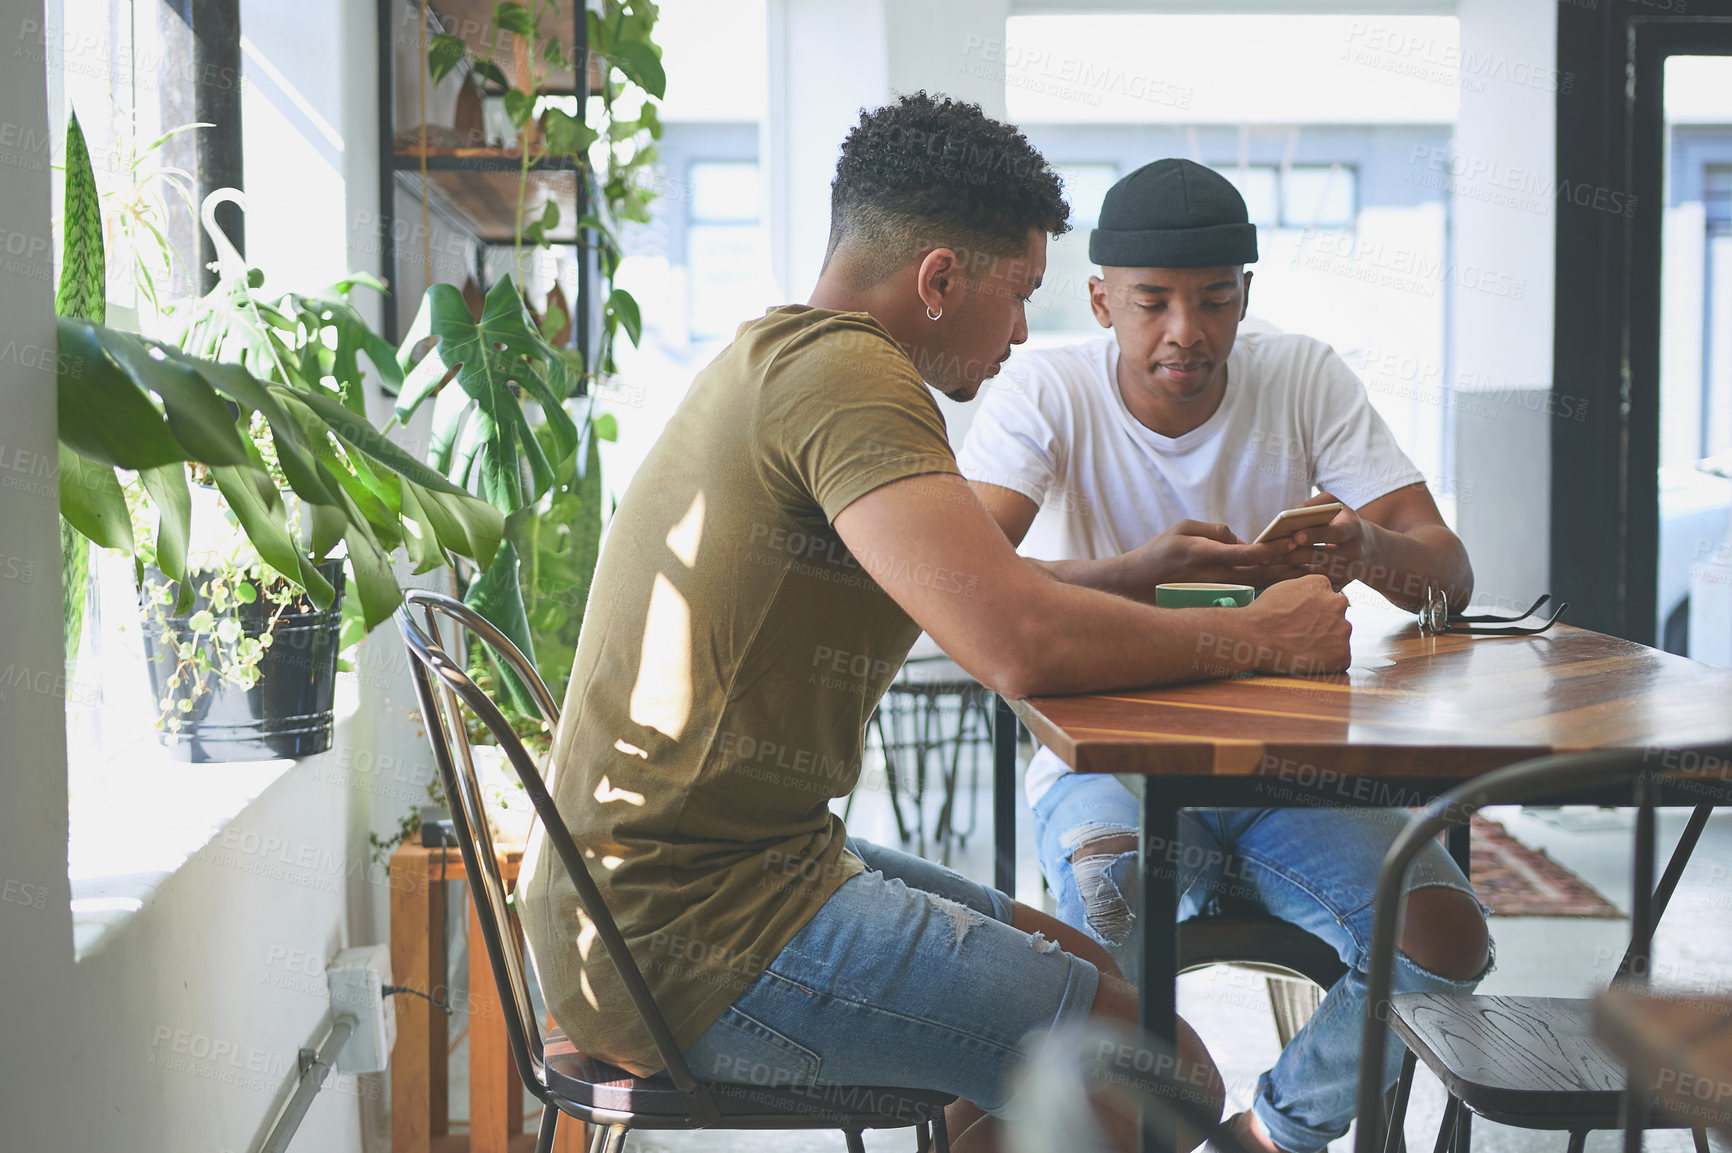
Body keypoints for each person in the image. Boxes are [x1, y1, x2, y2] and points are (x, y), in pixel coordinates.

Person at [517, 94, 1353, 1153]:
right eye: (1017, 295)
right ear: (940, 279)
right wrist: (1268, 642)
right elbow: (1013, 642)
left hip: (686, 886)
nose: (1019, 332)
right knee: (1161, 1075)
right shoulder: (852, 376)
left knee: (1102, 985)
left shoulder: (781, 358)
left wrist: (1140, 572)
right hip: (690, 933)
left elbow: (975, 582)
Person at [956, 158, 1492, 1153]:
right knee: (1102, 920)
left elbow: (1448, 578)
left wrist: (1366, 549)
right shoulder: (1046, 387)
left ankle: (1276, 1130)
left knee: (1445, 939)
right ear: (1100, 299)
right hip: (1107, 766)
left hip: (1292, 773)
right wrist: (1140, 569)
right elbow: (966, 580)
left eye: (1214, 302)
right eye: (1151, 303)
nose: (1184, 333)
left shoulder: (1303, 374)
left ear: (1246, 298)